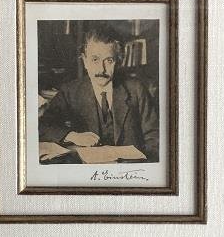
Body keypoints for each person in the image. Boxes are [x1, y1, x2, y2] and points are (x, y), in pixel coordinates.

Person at [39, 24, 159, 162]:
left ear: (119, 61)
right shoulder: (70, 91)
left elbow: (155, 138)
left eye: (109, 60)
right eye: (95, 59)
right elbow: (43, 126)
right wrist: (72, 136)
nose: (101, 69)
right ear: (85, 61)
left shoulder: (136, 90)